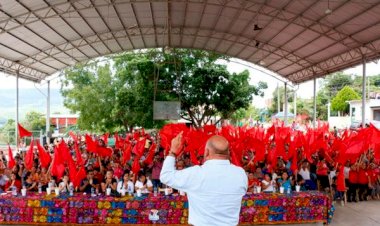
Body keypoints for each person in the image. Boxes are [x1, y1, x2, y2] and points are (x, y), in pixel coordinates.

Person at [160, 133, 247, 226]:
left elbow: (166, 176)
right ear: (228, 152)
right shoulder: (240, 174)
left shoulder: (195, 174)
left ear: (206, 152)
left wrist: (172, 152)